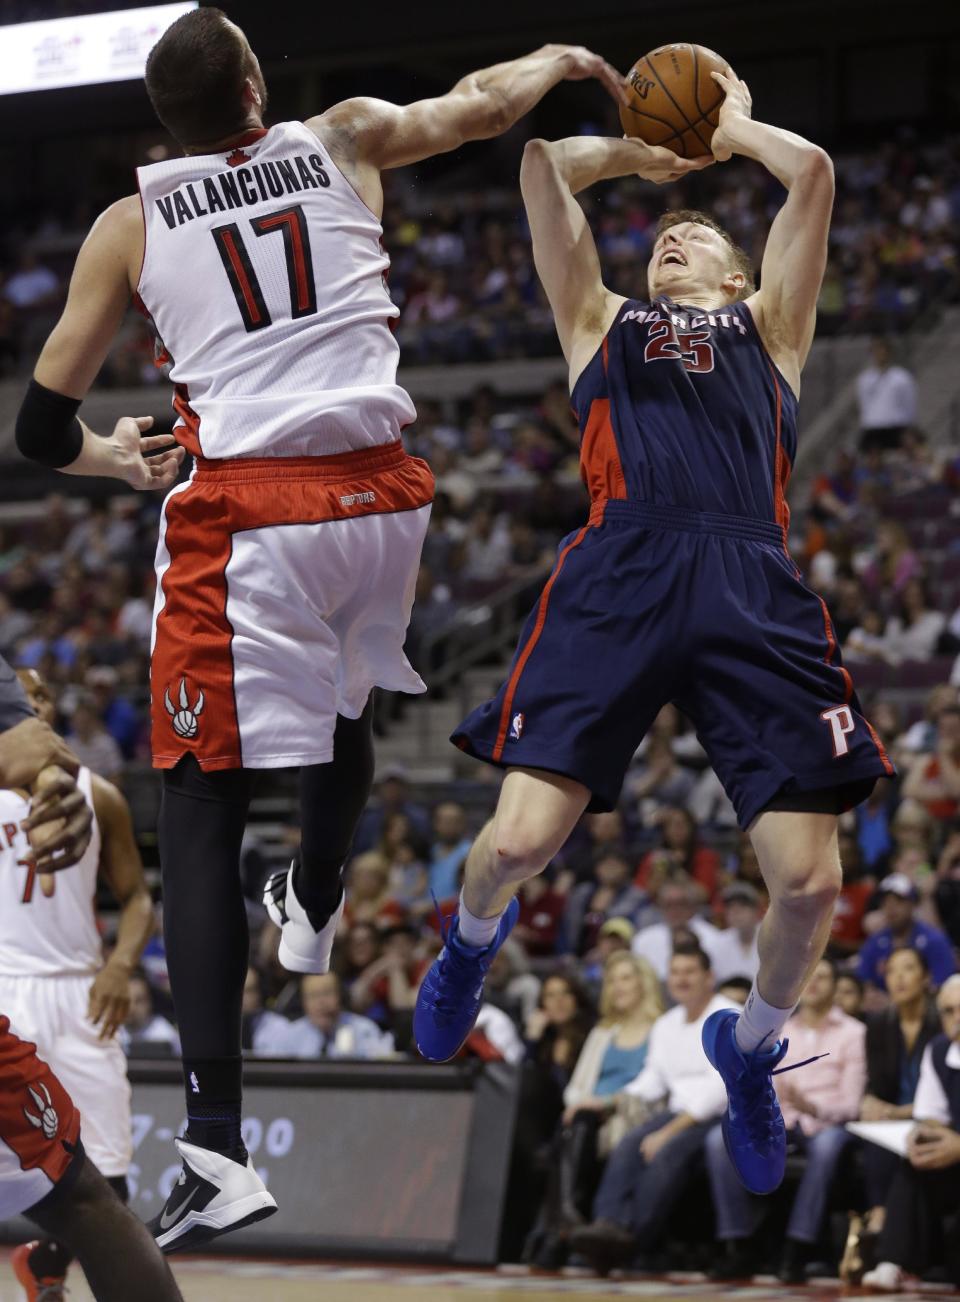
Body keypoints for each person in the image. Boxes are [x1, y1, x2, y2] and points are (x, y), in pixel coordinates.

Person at [14, 5, 623, 1249]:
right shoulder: (342, 134)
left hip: (250, 514)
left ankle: (220, 1146)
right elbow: (484, 105)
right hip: (386, 491)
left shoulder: (130, 222)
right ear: (253, 81)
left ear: (162, 124)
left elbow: (34, 430)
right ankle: (322, 891)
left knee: (196, 802)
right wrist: (560, 59)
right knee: (343, 706)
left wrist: (116, 465)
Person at [414, 64, 892, 1201]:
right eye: (659, 238)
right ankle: (469, 944)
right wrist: (641, 154)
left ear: (738, 272)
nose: (670, 241)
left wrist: (729, 129)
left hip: (748, 577)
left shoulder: (772, 330)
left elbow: (812, 173)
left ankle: (755, 1047)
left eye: (693, 235)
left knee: (812, 882)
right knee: (523, 842)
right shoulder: (600, 320)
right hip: (622, 564)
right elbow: (540, 167)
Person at [0, 665, 179, 1301]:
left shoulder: (98, 794)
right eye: (22, 690)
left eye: (43, 692)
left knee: (104, 1172)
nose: (34, 699)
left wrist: (119, 966)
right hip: (4, 984)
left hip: (78, 988)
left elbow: (135, 897)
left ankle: (44, 1271)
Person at [569, 947, 735, 1273]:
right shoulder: (667, 1024)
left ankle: (631, 1240)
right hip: (677, 1112)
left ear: (709, 977)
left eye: (690, 972)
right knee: (630, 1142)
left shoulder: (729, 1016)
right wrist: (606, 1101)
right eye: (675, 972)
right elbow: (651, 1080)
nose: (681, 979)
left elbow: (722, 1088)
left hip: (721, 1117)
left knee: (665, 1151)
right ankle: (607, 1224)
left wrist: (668, 1132)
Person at [706, 957, 866, 1283]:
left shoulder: (853, 1032)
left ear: (836, 986)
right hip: (781, 1119)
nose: (814, 983)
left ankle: (798, 1247)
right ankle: (738, 1244)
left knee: (827, 1146)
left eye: (823, 977)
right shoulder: (779, 1032)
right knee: (715, 1141)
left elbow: (851, 1105)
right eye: (808, 977)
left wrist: (812, 1107)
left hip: (828, 1125)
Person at [862, 975, 960, 1292]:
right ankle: (892, 1263)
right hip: (953, 1154)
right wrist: (926, 1137)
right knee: (916, 1160)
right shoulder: (939, 1050)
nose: (956, 1018)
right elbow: (931, 1115)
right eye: (948, 1011)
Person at [853, 947, 942, 1275]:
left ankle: (886, 1236)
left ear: (926, 978)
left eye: (908, 969)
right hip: (895, 1118)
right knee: (875, 1132)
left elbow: (942, 1094)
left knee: (909, 1140)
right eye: (892, 971)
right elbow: (878, 1086)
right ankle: (879, 1216)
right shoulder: (878, 1025)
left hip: (933, 1117)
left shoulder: (942, 1022)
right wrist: (871, 1102)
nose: (900, 978)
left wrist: (897, 1112)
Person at [857, 873, 956, 992]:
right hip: (882, 1008)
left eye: (898, 901)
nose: (890, 907)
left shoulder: (934, 940)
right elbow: (862, 982)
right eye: (885, 902)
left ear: (912, 904)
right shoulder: (874, 942)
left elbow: (943, 984)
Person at [630, 873, 722, 981]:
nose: (674, 910)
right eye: (668, 904)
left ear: (692, 905)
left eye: (680, 903)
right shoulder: (643, 939)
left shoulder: (714, 937)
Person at [282, 973, 395, 1059]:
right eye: (314, 995)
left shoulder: (365, 1030)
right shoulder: (291, 1035)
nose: (321, 1002)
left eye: (327, 993)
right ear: (303, 1002)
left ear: (340, 996)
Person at [856, 337, 918, 453]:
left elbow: (910, 404)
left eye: (882, 351)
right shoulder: (865, 379)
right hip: (873, 428)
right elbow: (864, 405)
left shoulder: (902, 377)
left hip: (896, 427)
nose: (880, 354)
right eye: (876, 351)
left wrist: (909, 428)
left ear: (889, 353)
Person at [710, 882, 763, 984]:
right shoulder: (715, 943)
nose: (736, 911)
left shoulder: (774, 939)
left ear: (757, 910)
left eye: (743, 906)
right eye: (730, 907)